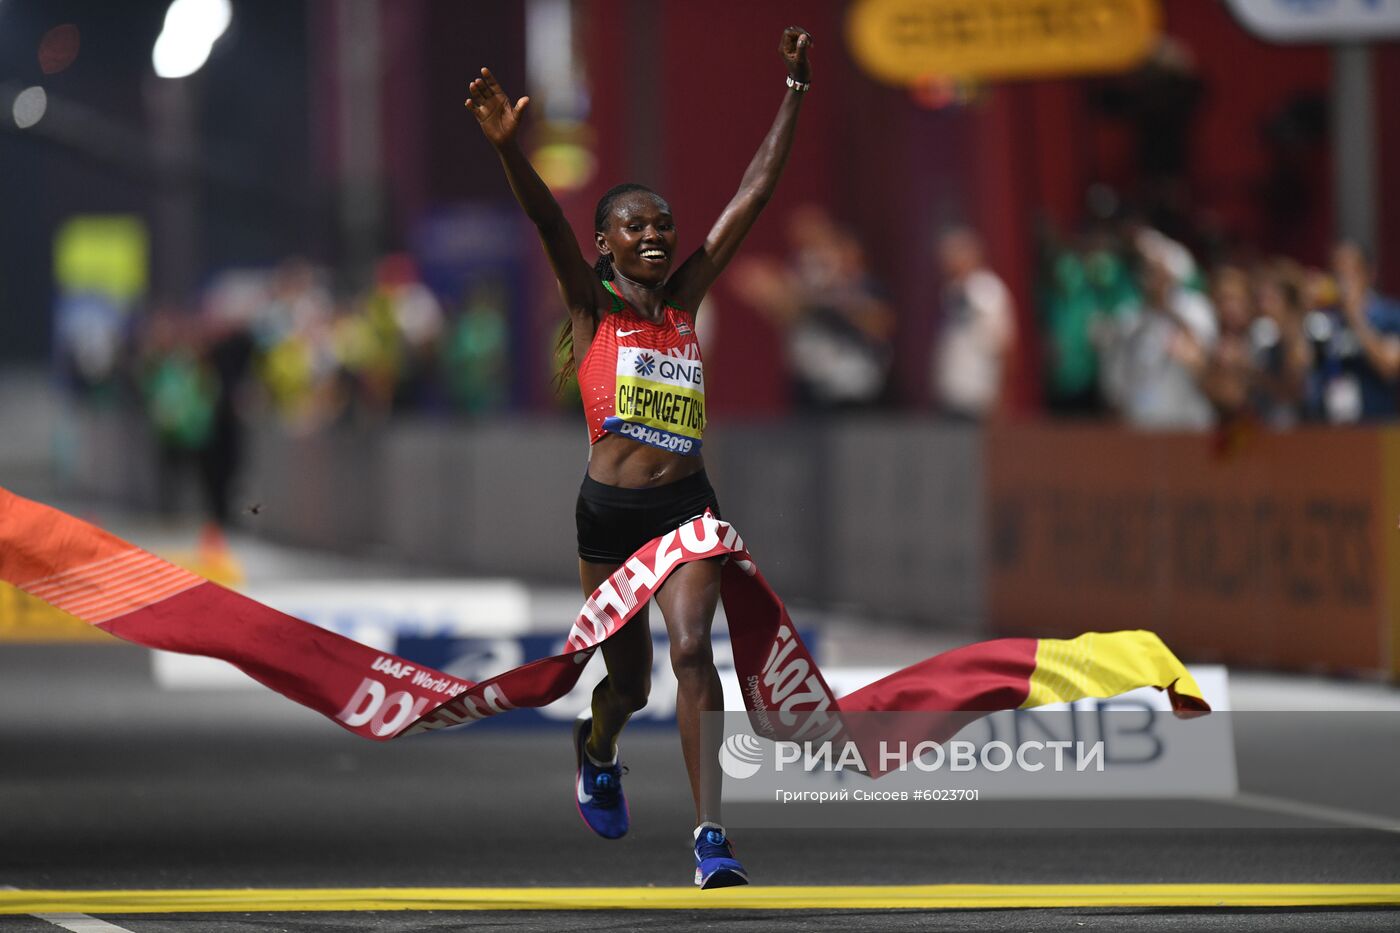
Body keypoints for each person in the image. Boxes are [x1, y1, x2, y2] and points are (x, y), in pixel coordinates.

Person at [464, 25, 812, 889]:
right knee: (632, 683)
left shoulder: (686, 297)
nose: (655, 236)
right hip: (611, 521)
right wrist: (512, 154)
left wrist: (795, 92)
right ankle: (600, 742)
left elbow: (753, 194)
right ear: (607, 243)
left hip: (688, 511)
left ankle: (710, 838)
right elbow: (546, 218)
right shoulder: (591, 308)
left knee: (695, 648)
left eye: (663, 224)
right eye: (635, 226)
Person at [931, 227, 1016, 420]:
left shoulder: (988, 290)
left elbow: (1004, 344)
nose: (945, 261)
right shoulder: (951, 291)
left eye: (952, 254)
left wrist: (1001, 394)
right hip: (953, 390)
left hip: (978, 391)